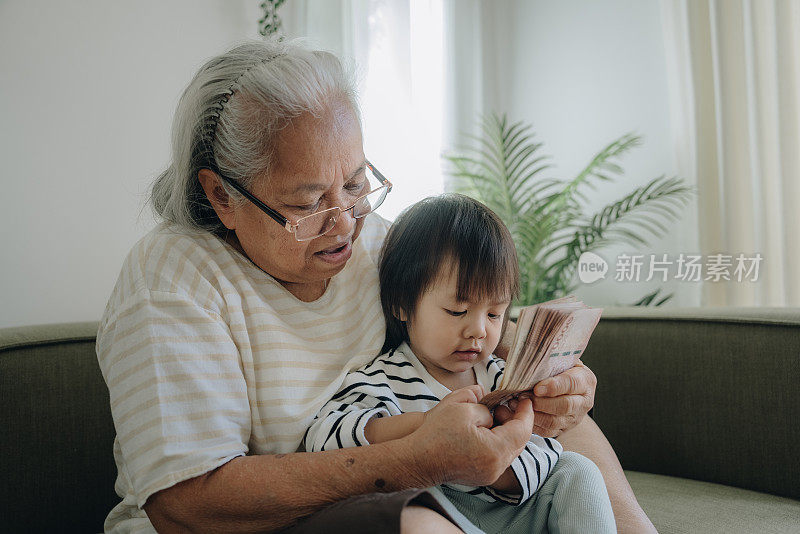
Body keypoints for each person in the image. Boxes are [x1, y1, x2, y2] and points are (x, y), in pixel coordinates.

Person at [95, 38, 655, 533]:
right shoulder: (172, 280)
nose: (344, 221)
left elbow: (483, 329)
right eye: (308, 203)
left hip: (404, 487)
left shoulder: (376, 243)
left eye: (357, 183)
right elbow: (189, 507)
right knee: (414, 519)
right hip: (269, 521)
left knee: (555, 433)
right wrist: (419, 458)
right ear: (223, 196)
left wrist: (556, 379)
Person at [303, 194, 617, 533]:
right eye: (457, 311)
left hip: (510, 508)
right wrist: (422, 427)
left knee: (577, 469)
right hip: (439, 509)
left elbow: (543, 449)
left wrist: (497, 468)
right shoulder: (383, 379)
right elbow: (322, 438)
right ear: (402, 305)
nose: (478, 330)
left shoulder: (502, 378)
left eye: (495, 314)